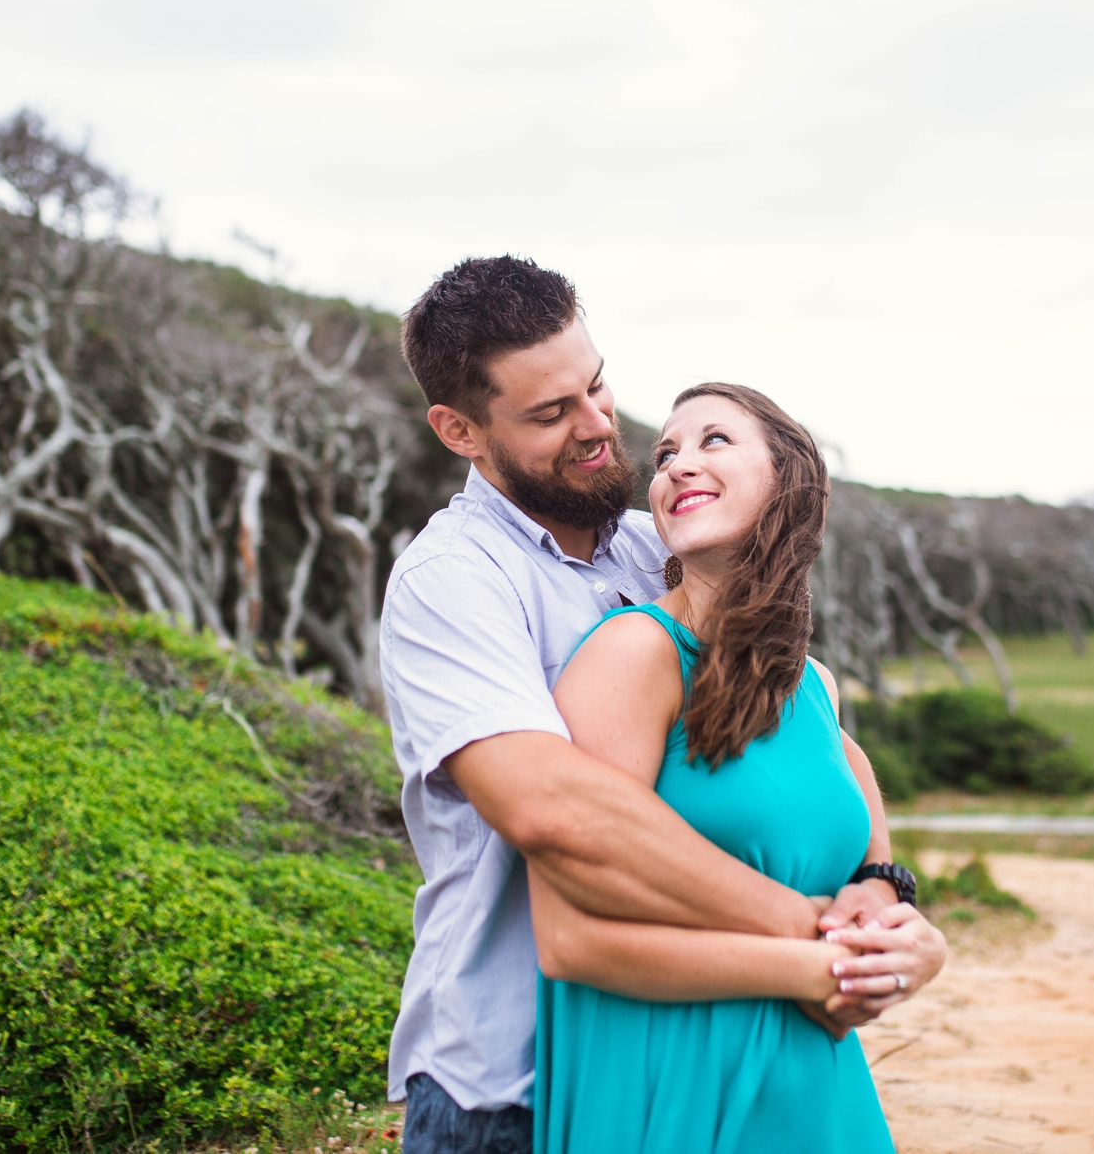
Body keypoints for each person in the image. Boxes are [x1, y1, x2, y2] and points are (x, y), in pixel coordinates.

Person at [380, 254, 944, 1154]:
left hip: (714, 1028)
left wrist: (880, 891)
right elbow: (553, 810)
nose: (599, 427)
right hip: (509, 1081)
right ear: (460, 429)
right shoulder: (454, 581)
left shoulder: (664, 546)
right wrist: (816, 942)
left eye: (597, 387)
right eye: (549, 413)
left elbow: (813, 732)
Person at [533, 377, 912, 1154]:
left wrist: (886, 896)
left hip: (817, 1087)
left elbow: (850, 792)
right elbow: (571, 942)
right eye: (665, 453)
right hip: (669, 1081)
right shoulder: (636, 652)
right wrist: (816, 969)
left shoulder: (813, 685)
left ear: (791, 482)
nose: (675, 466)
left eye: (713, 441)